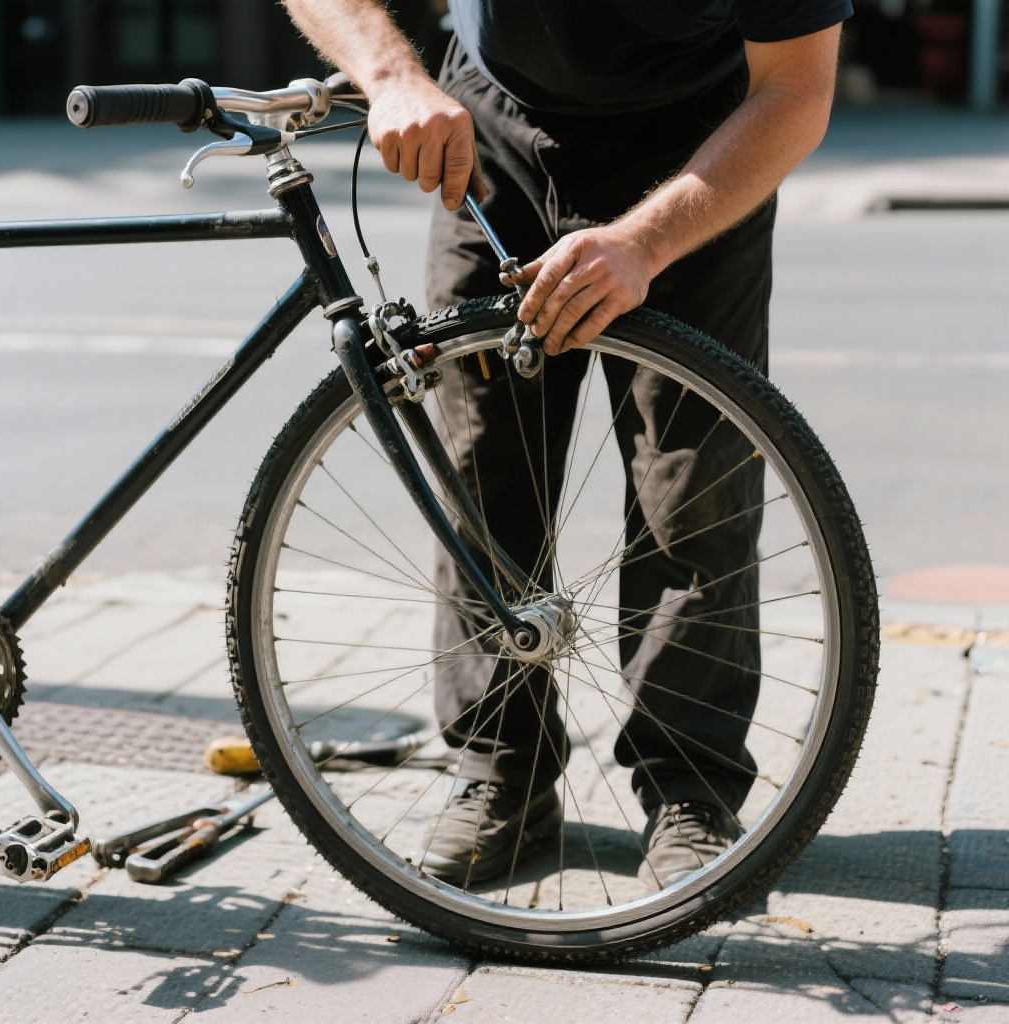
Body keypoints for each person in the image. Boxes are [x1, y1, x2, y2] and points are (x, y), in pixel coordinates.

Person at [283, 0, 848, 890]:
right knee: (480, 477)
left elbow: (798, 88)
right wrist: (392, 75)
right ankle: (499, 770)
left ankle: (689, 786)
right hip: (495, 130)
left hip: (698, 140)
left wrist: (643, 242)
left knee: (693, 492)